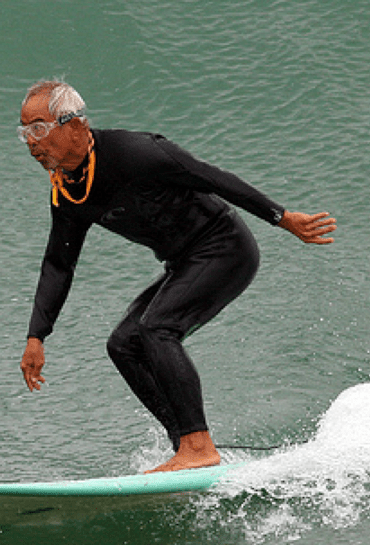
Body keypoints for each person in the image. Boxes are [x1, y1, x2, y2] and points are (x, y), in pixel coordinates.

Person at [18, 80, 336, 473]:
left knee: (157, 328)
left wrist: (281, 217)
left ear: (76, 125)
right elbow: (58, 264)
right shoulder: (68, 192)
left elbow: (210, 177)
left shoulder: (135, 153)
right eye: (24, 132)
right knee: (124, 344)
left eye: (38, 129)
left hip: (225, 248)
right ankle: (186, 445)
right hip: (184, 262)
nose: (30, 142)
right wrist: (37, 335)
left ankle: (197, 446)